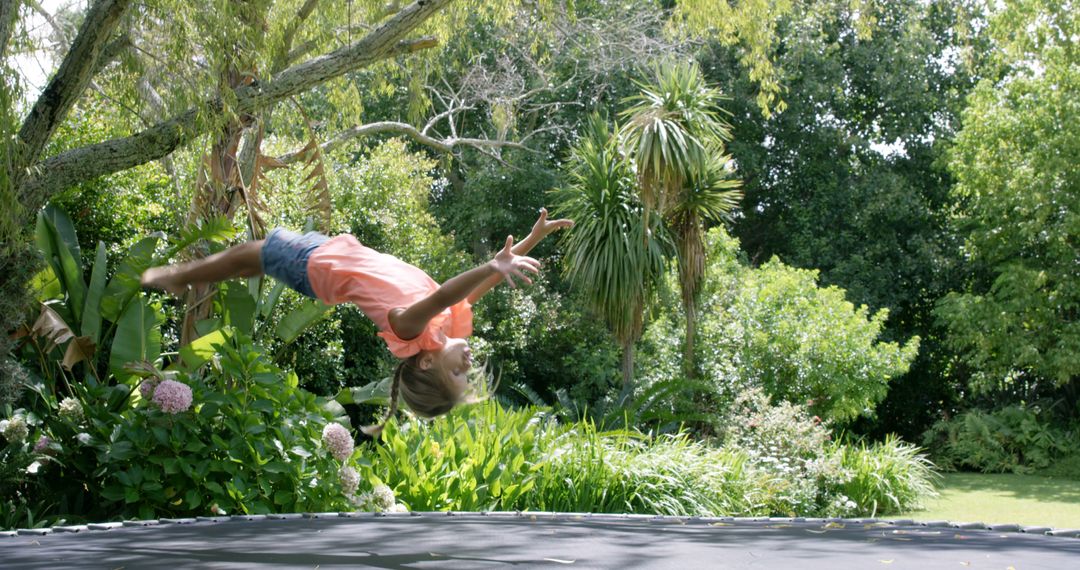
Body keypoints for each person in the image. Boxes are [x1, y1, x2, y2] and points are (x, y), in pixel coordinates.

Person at [141, 208, 573, 435]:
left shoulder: (410, 333)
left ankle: (180, 277)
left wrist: (491, 266)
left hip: (320, 267)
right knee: (255, 260)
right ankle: (190, 277)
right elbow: (469, 294)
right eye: (470, 370)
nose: (469, 361)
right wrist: (529, 242)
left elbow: (447, 292)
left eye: (458, 371)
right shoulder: (444, 330)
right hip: (333, 254)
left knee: (256, 253)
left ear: (426, 364)